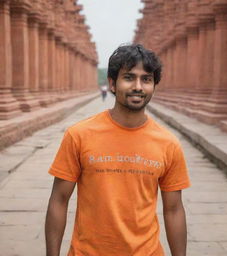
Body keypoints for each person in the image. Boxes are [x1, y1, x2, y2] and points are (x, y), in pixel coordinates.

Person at [45, 44, 191, 256]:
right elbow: (59, 200)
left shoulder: (168, 143)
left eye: (146, 79)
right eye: (129, 77)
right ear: (112, 83)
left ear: (154, 86)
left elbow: (174, 210)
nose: (138, 86)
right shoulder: (79, 135)